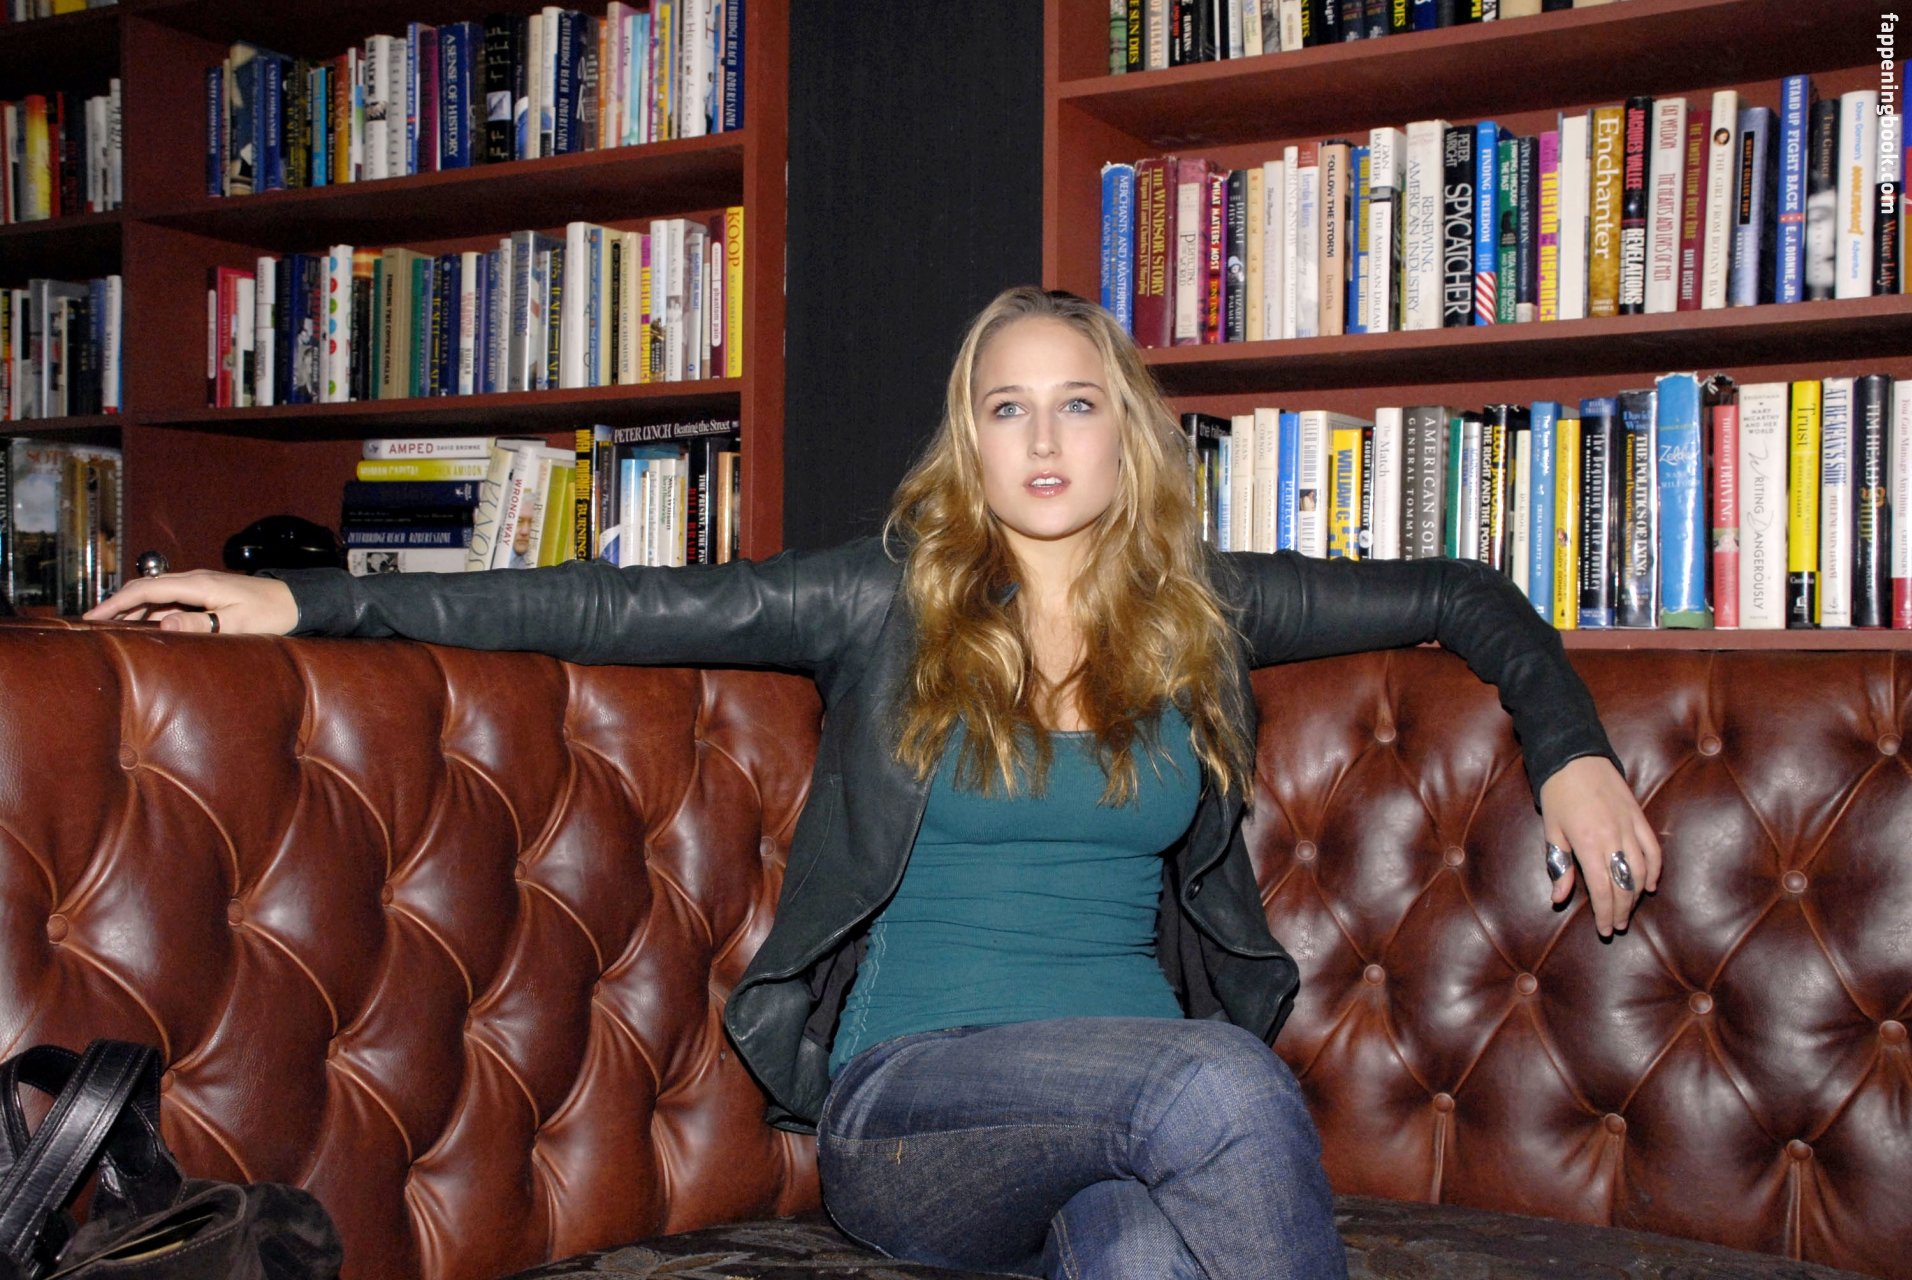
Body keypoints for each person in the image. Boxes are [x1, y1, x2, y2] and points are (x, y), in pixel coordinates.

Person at [88, 286, 1661, 1279]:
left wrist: (1574, 752)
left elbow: (1465, 594)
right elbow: (609, 606)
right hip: (917, 1112)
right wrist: (296, 599)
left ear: (1127, 435)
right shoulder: (880, 601)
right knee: (1222, 1082)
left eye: (1077, 402)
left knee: (1135, 1253)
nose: (1042, 437)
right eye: (1005, 405)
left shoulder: (1207, 617)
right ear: (968, 442)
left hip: (1125, 1126)